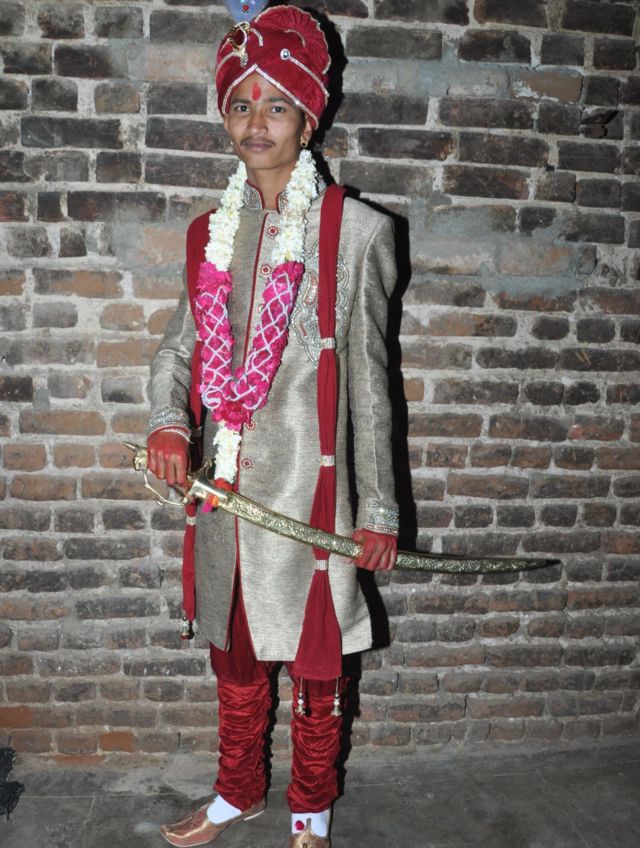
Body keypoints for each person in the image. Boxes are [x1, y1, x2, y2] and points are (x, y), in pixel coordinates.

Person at [147, 6, 398, 847]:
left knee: (318, 676)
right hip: (225, 493)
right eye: (241, 104)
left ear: (309, 118)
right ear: (225, 118)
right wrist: (169, 424)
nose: (257, 122)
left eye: (277, 105)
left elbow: (371, 387)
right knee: (236, 663)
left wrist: (379, 511)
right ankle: (236, 793)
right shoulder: (207, 235)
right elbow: (178, 350)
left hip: (311, 498)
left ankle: (311, 810)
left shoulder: (354, 233)